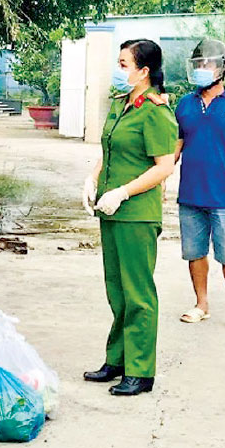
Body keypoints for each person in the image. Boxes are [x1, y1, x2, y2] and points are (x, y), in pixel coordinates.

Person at [81, 39, 178, 397]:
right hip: (110, 212)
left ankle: (140, 371)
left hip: (135, 213)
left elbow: (164, 167)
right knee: (117, 290)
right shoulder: (122, 105)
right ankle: (117, 360)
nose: (118, 70)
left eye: (124, 65)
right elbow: (109, 151)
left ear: (144, 71)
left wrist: (123, 191)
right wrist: (92, 179)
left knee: (138, 293)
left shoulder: (155, 111)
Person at [174, 38, 225, 332]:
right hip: (190, 194)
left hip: (223, 195)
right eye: (198, 64)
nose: (202, 69)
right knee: (195, 252)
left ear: (222, 68)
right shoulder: (185, 104)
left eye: (207, 63)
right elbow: (177, 144)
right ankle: (201, 303)